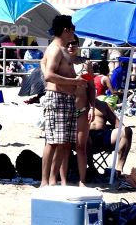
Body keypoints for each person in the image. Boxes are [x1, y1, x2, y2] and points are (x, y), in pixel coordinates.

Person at [40, 14, 83, 187]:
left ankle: (52, 179)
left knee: (64, 142)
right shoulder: (56, 48)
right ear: (66, 30)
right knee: (53, 141)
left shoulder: (60, 48)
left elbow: (42, 64)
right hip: (57, 99)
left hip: (66, 98)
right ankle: (45, 181)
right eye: (72, 29)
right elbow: (49, 75)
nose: (74, 33)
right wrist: (74, 82)